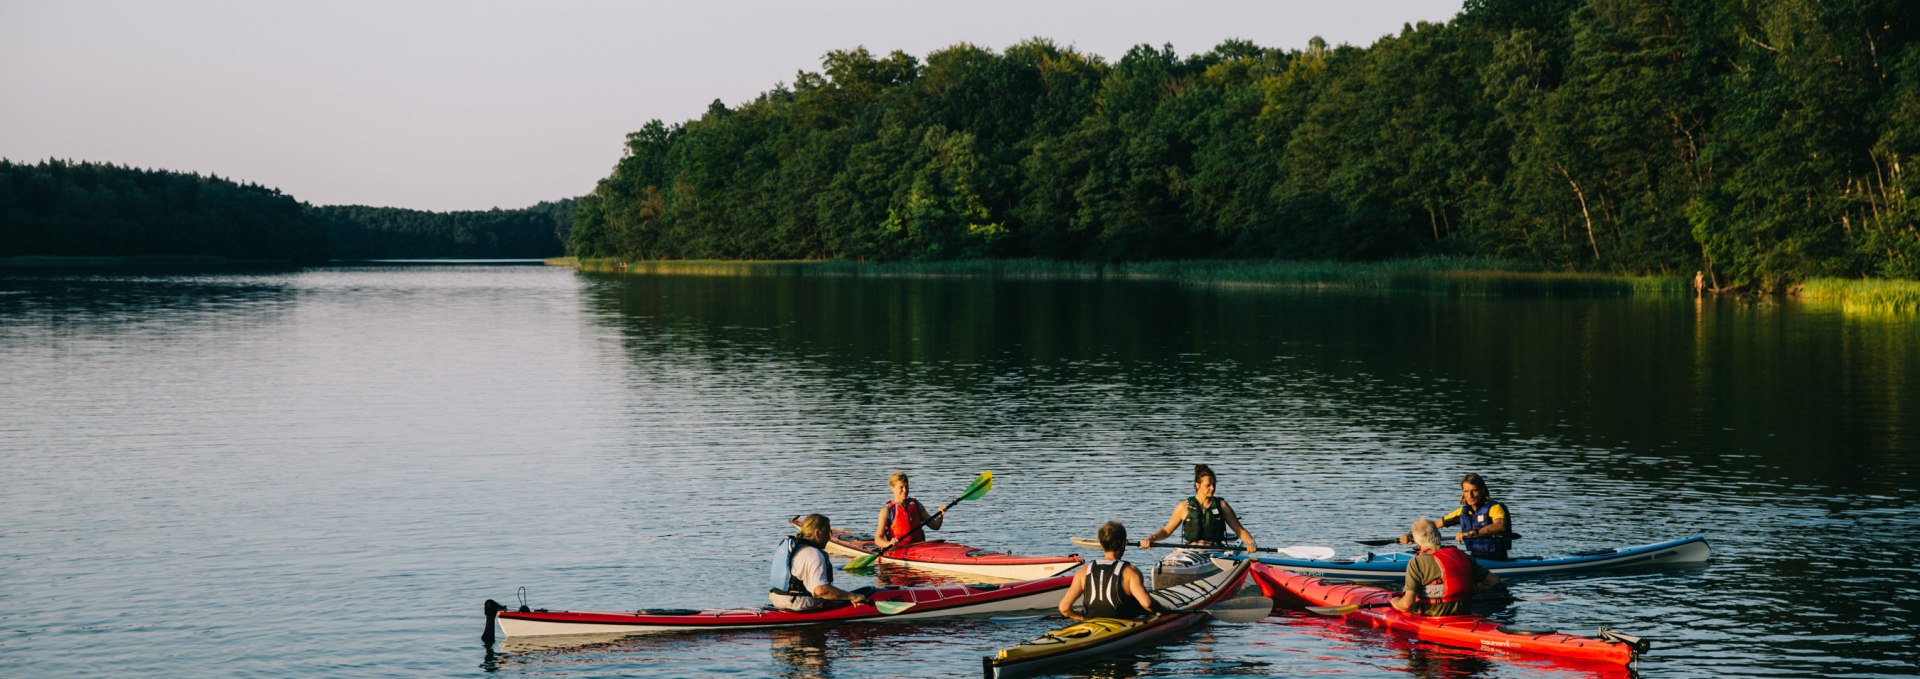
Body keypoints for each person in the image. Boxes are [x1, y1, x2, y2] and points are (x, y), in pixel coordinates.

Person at [1392, 518, 1501, 616]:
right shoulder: (1462, 555)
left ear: (1417, 544)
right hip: (1464, 612)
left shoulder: (1416, 562)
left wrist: (1395, 602)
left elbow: (1407, 604)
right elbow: (1493, 581)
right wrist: (1469, 589)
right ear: (1439, 536)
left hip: (1433, 615)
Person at [770, 514, 874, 611]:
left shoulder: (795, 549)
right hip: (800, 605)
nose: (829, 537)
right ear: (817, 534)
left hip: (778, 600)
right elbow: (821, 590)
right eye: (827, 533)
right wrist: (853, 596)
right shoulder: (814, 554)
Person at [1142, 464, 1257, 552]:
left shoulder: (1222, 506)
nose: (1212, 488)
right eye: (1208, 485)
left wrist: (1250, 541)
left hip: (1216, 553)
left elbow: (1240, 531)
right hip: (1190, 553)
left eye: (1214, 485)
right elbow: (1166, 531)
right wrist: (1151, 538)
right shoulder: (1184, 507)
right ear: (1197, 485)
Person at [1059, 521, 1160, 621]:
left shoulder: (1083, 571)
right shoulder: (1130, 572)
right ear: (1124, 543)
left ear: (1102, 544)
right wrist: (1165, 611)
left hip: (1092, 625)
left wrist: (1082, 618)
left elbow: (1064, 608)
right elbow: (1147, 604)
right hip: (1126, 629)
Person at [1402, 473, 1513, 560]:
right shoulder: (1462, 512)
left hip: (1498, 558)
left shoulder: (1495, 508)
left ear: (1483, 490)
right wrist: (1411, 533)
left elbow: (1500, 526)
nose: (1470, 495)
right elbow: (1434, 525)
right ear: (1463, 493)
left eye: (1474, 490)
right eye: (1466, 491)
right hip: (1476, 556)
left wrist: (1473, 533)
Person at [873, 471, 946, 550]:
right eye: (901, 487)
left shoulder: (917, 505)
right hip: (898, 550)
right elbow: (877, 539)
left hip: (918, 549)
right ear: (892, 488)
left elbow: (935, 526)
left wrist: (940, 515)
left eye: (906, 486)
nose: (905, 490)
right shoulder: (887, 511)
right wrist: (888, 544)